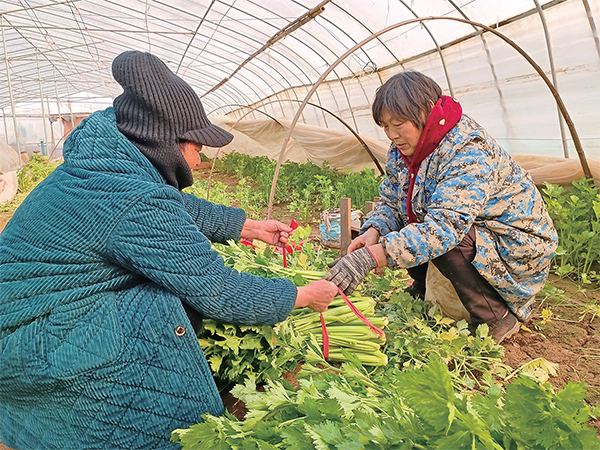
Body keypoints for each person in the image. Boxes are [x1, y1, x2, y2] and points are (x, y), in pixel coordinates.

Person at [0, 51, 338, 450]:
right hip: (39, 344)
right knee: (170, 307)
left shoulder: (104, 167)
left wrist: (249, 227)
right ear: (168, 145)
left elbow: (170, 204)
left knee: (165, 295)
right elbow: (218, 290)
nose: (200, 158)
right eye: (197, 146)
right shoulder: (134, 198)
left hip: (23, 323)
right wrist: (302, 296)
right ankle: (109, 418)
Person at [325, 71, 557, 344]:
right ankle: (424, 286)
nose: (391, 134)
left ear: (424, 112)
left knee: (442, 236)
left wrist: (371, 258)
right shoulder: (402, 149)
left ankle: (496, 315)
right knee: (415, 218)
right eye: (385, 126)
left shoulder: (467, 148)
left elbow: (445, 229)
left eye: (398, 123)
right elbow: (392, 201)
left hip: (515, 246)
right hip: (475, 234)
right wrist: (373, 230)